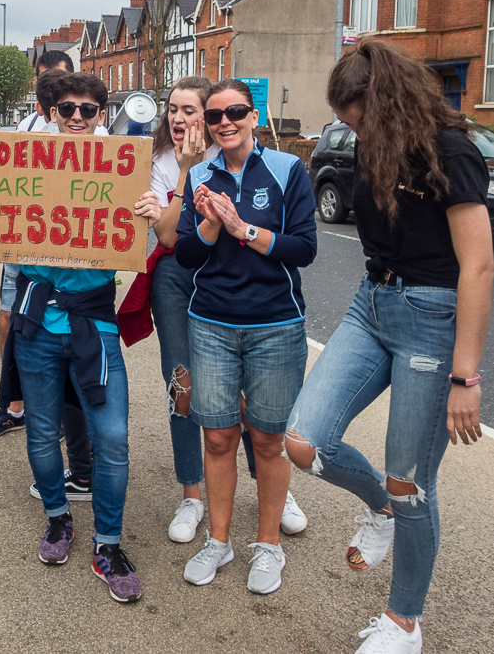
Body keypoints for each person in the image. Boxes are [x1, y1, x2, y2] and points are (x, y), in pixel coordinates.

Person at [283, 40, 491, 653]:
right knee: (305, 440)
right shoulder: (376, 148)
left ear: (389, 102)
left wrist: (466, 378)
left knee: (412, 483)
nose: (351, 131)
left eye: (357, 119)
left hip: (433, 317)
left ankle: (405, 622)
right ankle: (379, 512)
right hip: (370, 304)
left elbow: (478, 267)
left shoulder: (451, 151)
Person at [0, 71, 162, 603]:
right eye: (67, 108)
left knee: (112, 438)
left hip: (95, 324)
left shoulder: (123, 170)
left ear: (101, 114)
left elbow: (157, 236)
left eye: (88, 110)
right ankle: (56, 518)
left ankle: (109, 543)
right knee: (42, 433)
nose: (76, 117)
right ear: (51, 110)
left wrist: (152, 210)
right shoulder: (17, 164)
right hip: (37, 325)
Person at [119, 77, 308, 544]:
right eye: (173, 110)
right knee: (184, 383)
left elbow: (293, 241)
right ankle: (192, 495)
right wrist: (184, 171)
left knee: (242, 388)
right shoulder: (162, 159)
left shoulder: (240, 150)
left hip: (231, 278)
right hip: (179, 274)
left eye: (192, 110)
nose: (181, 119)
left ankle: (270, 484)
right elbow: (168, 238)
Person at [173, 78, 317, 595]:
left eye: (235, 111)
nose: (225, 122)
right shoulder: (200, 177)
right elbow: (186, 255)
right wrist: (211, 225)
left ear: (254, 116)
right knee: (217, 437)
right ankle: (219, 540)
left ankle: (268, 545)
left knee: (268, 439)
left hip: (275, 324)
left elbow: (304, 248)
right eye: (214, 116)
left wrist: (243, 230)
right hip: (211, 322)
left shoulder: (287, 169)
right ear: (207, 126)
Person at [0, 51, 75, 440]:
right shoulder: (26, 127)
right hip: (23, 243)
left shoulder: (91, 132)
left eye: (59, 78)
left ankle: (61, 410)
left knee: (62, 326)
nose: (51, 84)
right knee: (8, 317)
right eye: (44, 78)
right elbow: (0, 182)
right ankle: (15, 405)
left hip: (68, 246)